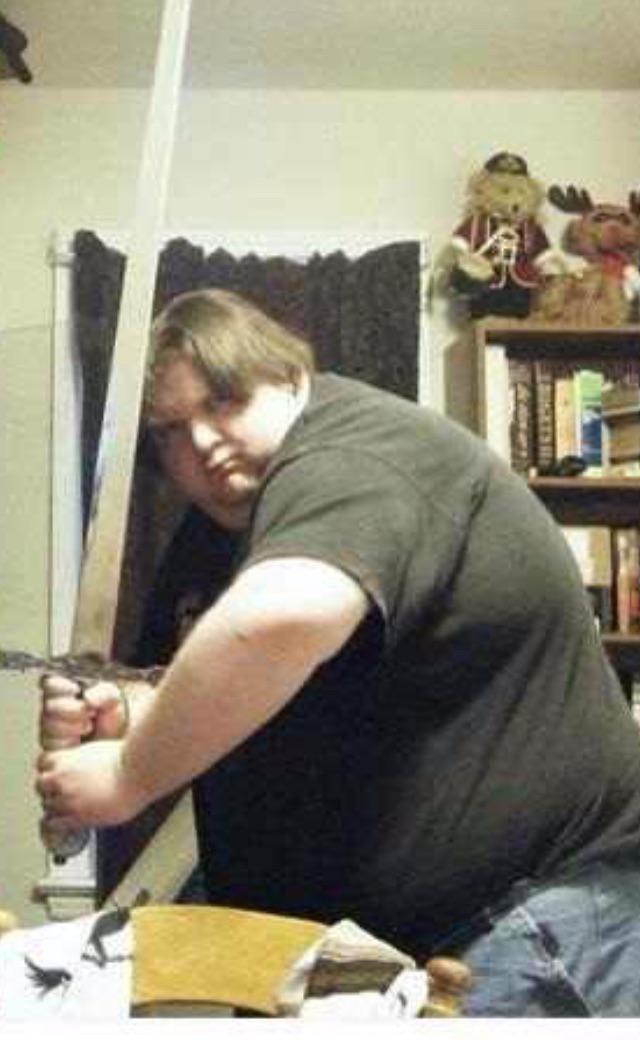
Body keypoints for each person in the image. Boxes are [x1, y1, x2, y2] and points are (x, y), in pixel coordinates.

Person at [36, 287, 640, 1016]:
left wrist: (127, 774)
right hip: (366, 962)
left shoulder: (354, 457)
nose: (202, 443)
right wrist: (122, 711)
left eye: (224, 402)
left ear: (291, 376)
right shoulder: (216, 533)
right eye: (171, 430)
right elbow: (182, 677)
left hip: (539, 924)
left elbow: (281, 620)